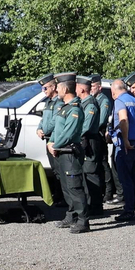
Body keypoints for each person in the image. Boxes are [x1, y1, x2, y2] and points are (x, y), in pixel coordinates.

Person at [48, 72, 91, 234]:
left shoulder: (75, 110)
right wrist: (51, 142)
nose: (56, 90)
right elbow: (56, 129)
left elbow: (68, 133)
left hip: (70, 152)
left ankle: (83, 220)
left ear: (65, 89)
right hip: (61, 152)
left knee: (75, 186)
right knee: (66, 186)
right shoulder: (63, 108)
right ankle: (72, 214)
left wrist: (55, 145)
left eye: (58, 87)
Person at [109, 77, 135, 222]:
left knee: (126, 179)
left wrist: (125, 140)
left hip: (127, 145)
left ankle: (129, 210)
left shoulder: (120, 101)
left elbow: (123, 119)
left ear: (114, 92)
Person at [77, 74, 105, 214]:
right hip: (86, 141)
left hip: (91, 141)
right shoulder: (84, 103)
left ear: (82, 89)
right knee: (86, 174)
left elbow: (86, 126)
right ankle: (91, 204)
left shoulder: (91, 104)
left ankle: (96, 207)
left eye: (76, 86)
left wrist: (74, 134)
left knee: (91, 173)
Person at [91, 74, 118, 207]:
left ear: (99, 87)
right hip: (94, 136)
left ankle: (108, 191)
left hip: (100, 135)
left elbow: (101, 120)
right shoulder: (93, 99)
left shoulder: (103, 100)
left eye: (93, 86)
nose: (91, 89)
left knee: (103, 163)